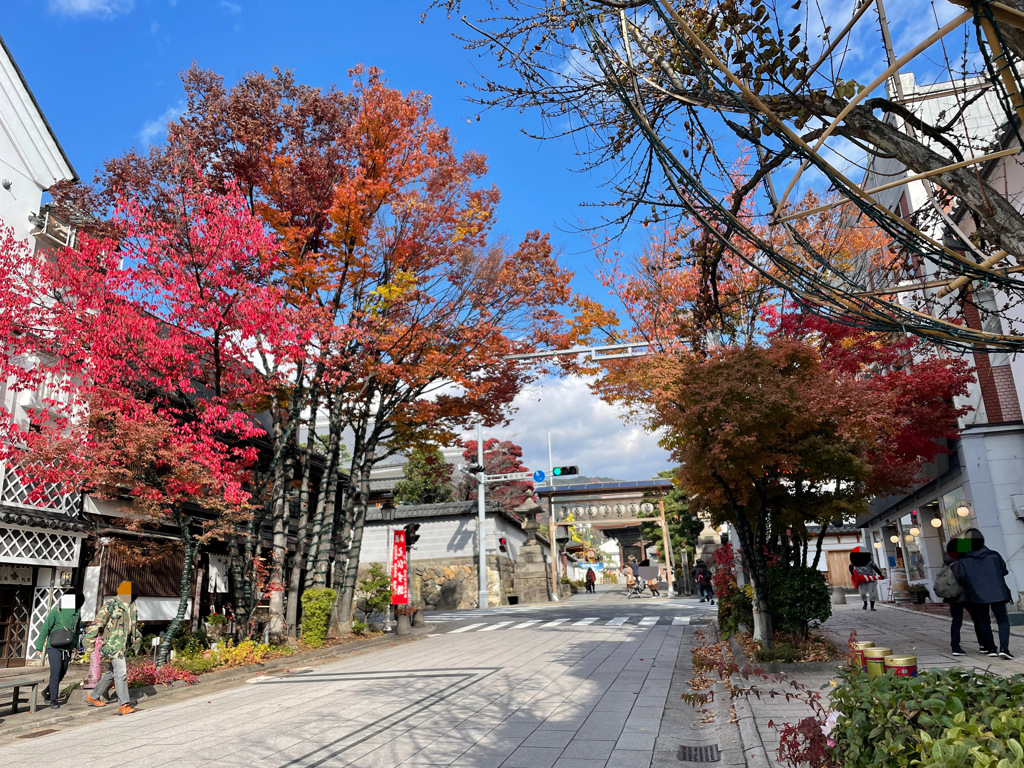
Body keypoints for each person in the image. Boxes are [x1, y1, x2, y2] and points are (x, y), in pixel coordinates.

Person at [951, 528, 1015, 660]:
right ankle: (1004, 648)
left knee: (983, 620)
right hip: (998, 591)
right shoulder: (994, 555)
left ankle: (991, 648)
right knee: (1002, 620)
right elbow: (1004, 571)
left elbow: (961, 578)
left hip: (976, 593)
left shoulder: (964, 559)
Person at [84, 581, 143, 714]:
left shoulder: (132, 606)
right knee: (121, 673)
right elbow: (97, 623)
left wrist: (136, 638)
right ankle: (124, 704)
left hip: (123, 645)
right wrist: (89, 643)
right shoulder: (111, 604)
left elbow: (133, 626)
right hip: (112, 645)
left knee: (111, 672)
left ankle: (93, 697)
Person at [937, 539, 990, 657]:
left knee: (956, 621)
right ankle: (983, 645)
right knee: (977, 618)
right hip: (966, 595)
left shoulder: (947, 559)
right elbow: (965, 578)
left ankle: (955, 647)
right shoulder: (962, 560)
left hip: (953, 595)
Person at [33, 592, 82, 709]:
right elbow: (45, 628)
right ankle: (53, 699)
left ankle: (46, 691)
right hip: (54, 646)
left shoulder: (77, 612)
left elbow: (77, 631)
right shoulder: (56, 611)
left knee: (63, 671)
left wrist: (75, 644)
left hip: (68, 647)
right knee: (55, 671)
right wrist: (39, 647)